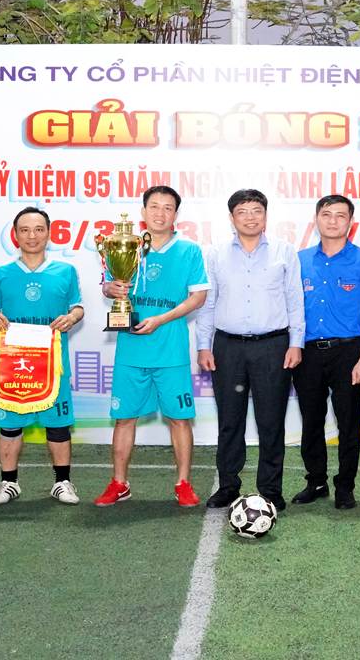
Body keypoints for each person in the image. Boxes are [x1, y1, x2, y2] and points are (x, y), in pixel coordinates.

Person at [95, 186, 209, 508]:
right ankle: (119, 483)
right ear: (143, 212)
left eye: (168, 207)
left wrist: (161, 319)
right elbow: (107, 285)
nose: (160, 213)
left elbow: (198, 297)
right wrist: (111, 288)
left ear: (176, 214)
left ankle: (183, 483)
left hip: (170, 350)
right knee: (124, 418)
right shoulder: (126, 244)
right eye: (154, 206)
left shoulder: (189, 251)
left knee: (179, 419)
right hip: (131, 349)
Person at [196, 189, 304, 512]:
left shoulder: (284, 251)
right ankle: (228, 486)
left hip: (273, 346)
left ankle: (270, 490)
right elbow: (208, 303)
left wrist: (296, 343)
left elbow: (295, 300)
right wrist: (203, 345)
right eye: (242, 212)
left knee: (271, 421)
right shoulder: (215, 254)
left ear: (266, 216)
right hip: (227, 347)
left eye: (257, 210)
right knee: (230, 421)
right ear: (232, 218)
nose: (250, 217)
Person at [0, 207, 84, 506]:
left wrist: (72, 317)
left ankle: (62, 482)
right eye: (25, 230)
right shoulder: (2, 274)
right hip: (12, 363)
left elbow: (78, 307)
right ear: (15, 235)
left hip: (52, 362)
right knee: (10, 425)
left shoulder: (65, 271)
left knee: (58, 424)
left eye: (39, 229)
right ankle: (9, 483)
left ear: (48, 234)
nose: (32, 236)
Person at [291, 195, 360, 510]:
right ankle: (316, 482)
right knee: (311, 420)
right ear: (316, 219)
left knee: (348, 422)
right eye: (326, 214)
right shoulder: (299, 261)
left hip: (349, 351)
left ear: (351, 222)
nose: (333, 221)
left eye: (340, 215)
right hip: (307, 352)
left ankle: (345, 487)